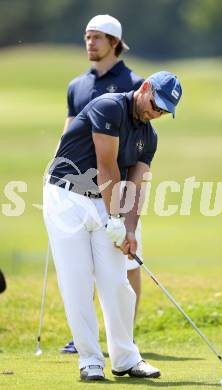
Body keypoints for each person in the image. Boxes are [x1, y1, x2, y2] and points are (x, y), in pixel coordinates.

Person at [43, 71, 182, 381]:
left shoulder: (150, 136)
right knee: (77, 281)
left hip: (104, 199)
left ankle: (126, 359)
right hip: (67, 198)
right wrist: (114, 219)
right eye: (155, 103)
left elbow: (137, 186)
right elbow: (107, 167)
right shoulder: (109, 107)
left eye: (163, 111)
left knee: (117, 282)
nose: (155, 113)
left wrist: (129, 230)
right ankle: (90, 360)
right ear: (145, 88)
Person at [61, 14, 144, 354]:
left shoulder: (133, 82)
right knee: (84, 265)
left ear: (114, 42)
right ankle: (87, 337)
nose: (90, 43)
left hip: (119, 188)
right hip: (79, 190)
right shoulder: (77, 86)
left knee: (124, 260)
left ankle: (125, 335)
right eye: (86, 36)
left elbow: (141, 139)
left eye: (97, 37)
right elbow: (68, 131)